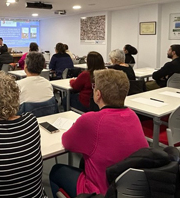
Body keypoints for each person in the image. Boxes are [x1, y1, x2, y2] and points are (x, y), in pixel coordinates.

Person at [49, 69, 148, 197]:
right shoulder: (133, 115)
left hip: (101, 192)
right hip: (130, 189)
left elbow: (67, 143)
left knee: (56, 171)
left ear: (98, 94)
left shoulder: (91, 120)